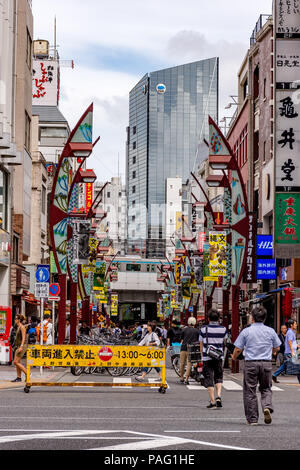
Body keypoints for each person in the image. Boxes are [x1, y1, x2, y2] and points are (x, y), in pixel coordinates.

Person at [232, 306, 281, 426]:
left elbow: (238, 349)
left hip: (251, 363)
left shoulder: (246, 331)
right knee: (266, 388)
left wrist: (233, 357)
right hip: (266, 363)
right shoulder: (270, 331)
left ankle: (253, 419)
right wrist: (272, 351)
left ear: (252, 318)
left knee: (250, 390)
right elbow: (277, 347)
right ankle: (267, 406)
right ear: (264, 318)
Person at [199, 309, 227, 409]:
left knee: (209, 378)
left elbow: (201, 344)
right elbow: (224, 342)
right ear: (218, 318)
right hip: (219, 356)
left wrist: (202, 356)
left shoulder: (203, 329)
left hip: (207, 357)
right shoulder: (223, 329)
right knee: (219, 376)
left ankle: (212, 401)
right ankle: (218, 396)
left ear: (208, 318)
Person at [274, 319, 300, 384]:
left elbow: (292, 342)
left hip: (290, 352)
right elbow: (289, 342)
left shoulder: (290, 332)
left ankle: (274, 375)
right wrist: (292, 351)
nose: (296, 325)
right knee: (297, 366)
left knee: (285, 365)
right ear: (291, 325)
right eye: (295, 324)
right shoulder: (290, 332)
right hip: (290, 352)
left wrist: (297, 346)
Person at [179, 317, 199, 385]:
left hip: (183, 348)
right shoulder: (197, 331)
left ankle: (181, 377)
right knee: (189, 364)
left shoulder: (184, 330)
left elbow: (181, 340)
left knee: (182, 363)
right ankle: (186, 379)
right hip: (192, 349)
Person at [11, 314, 28, 383]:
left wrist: (21, 346)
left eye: (16, 319)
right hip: (18, 346)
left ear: (18, 320)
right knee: (18, 362)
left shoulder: (22, 327)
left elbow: (24, 338)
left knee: (15, 362)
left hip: (22, 346)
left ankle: (28, 373)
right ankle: (19, 377)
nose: (14, 320)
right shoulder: (18, 327)